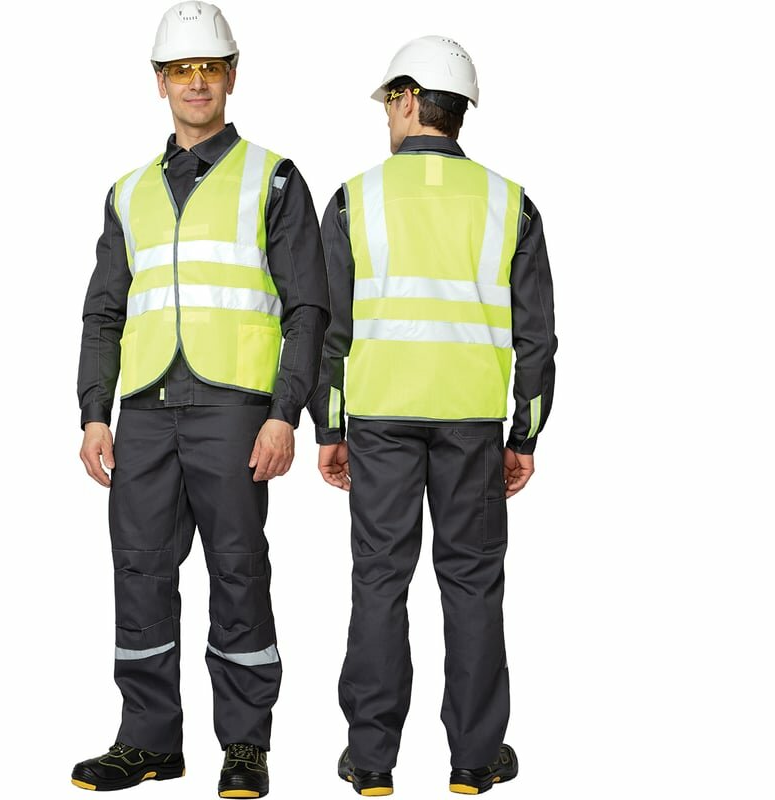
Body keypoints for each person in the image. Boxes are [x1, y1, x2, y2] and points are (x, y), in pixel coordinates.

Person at [71, 3, 328, 796]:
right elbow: (104, 311)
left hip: (234, 409)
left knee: (238, 570)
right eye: (180, 70)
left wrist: (285, 412)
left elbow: (308, 308)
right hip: (145, 411)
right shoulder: (127, 192)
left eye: (209, 68)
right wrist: (93, 413)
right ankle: (147, 741)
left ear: (232, 77)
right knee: (140, 570)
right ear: (159, 82)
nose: (196, 82)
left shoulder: (273, 178)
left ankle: (245, 745)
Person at [308, 35, 557, 797]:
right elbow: (537, 337)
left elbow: (329, 329)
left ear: (411, 99)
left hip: (379, 417)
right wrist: (525, 434)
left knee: (380, 581)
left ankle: (371, 761)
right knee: (473, 585)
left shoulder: (355, 198)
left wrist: (330, 428)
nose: (387, 115)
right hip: (472, 423)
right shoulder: (511, 203)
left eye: (390, 101)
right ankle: (475, 761)